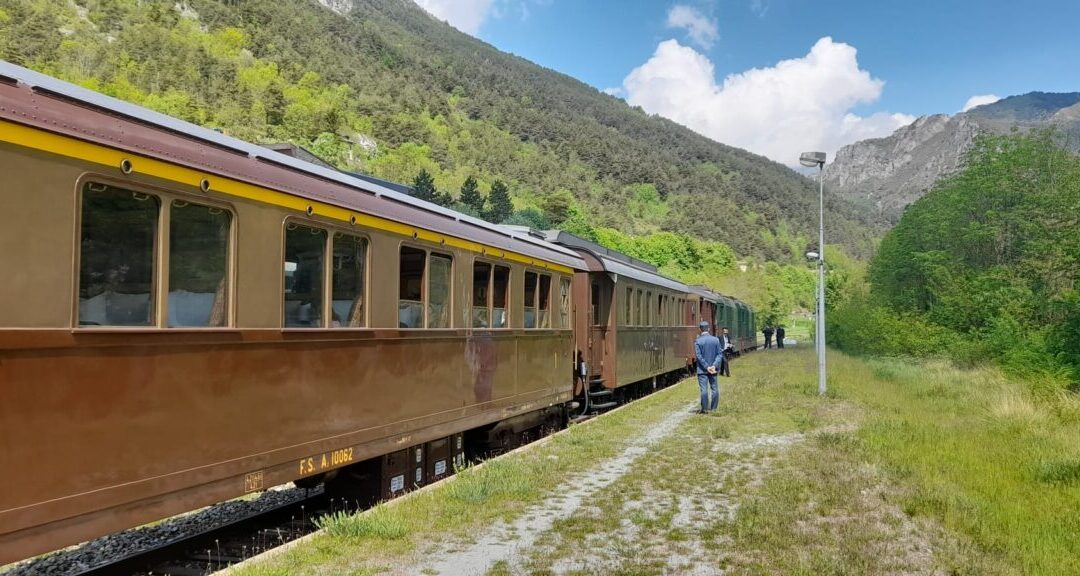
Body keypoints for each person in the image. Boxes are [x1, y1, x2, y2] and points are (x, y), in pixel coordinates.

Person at [694, 320, 723, 413]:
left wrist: (707, 367)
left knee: (704, 389)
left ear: (700, 329)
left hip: (702, 370)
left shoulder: (698, 341)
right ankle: (714, 408)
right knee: (714, 388)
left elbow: (699, 356)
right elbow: (719, 354)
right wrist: (714, 366)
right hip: (713, 369)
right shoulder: (716, 340)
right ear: (709, 329)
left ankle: (705, 409)